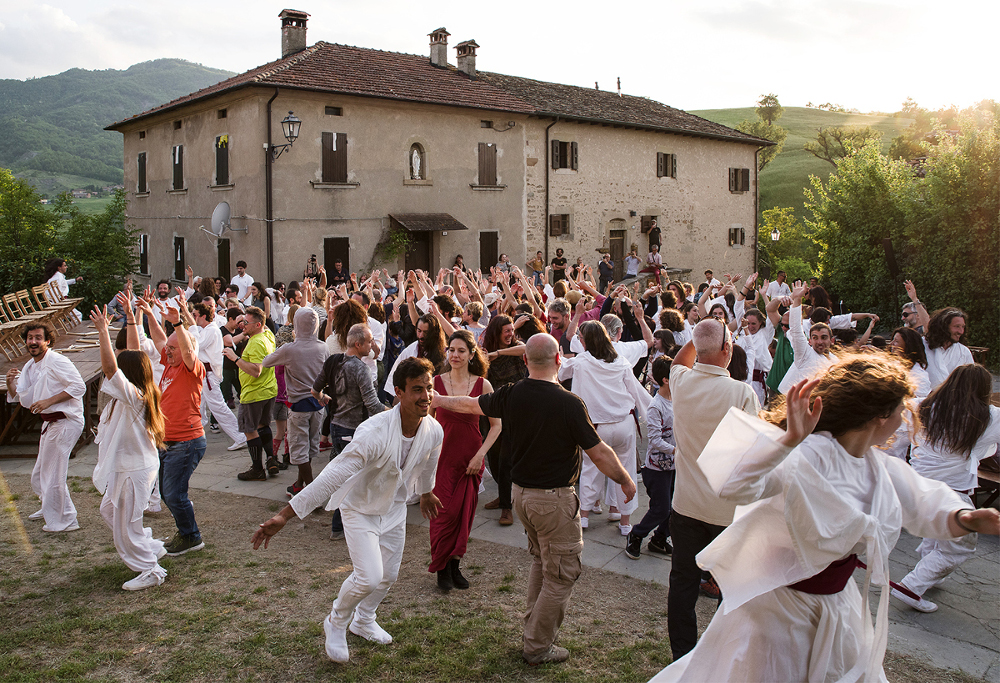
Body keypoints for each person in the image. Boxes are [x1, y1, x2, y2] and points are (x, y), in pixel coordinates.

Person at [648, 356, 999, 683]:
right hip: (779, 608)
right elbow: (734, 485)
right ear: (879, 416)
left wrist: (964, 517)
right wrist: (787, 441)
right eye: (901, 410)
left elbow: (923, 501)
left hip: (837, 606)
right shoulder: (808, 453)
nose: (905, 419)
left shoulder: (880, 467)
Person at [431, 334, 637, 666]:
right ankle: (537, 646)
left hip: (522, 498)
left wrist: (438, 400)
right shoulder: (569, 403)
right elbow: (598, 452)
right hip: (553, 501)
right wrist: (626, 480)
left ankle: (533, 629)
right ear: (559, 361)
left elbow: (471, 406)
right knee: (563, 573)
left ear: (525, 362)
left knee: (543, 563)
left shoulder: (512, 394)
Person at [251, 358, 444, 664]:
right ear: (398, 392)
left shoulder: (433, 430)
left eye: (429, 388)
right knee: (369, 576)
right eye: (417, 389)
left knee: (389, 575)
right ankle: (337, 621)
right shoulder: (375, 431)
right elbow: (334, 474)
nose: (426, 396)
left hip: (394, 509)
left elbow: (428, 462)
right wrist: (285, 515)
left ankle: (364, 619)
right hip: (360, 508)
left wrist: (426, 493)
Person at [666, 319, 760, 662]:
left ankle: (682, 656)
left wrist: (699, 335)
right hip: (728, 510)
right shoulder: (742, 393)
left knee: (684, 583)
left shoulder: (681, 382)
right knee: (731, 587)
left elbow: (678, 361)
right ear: (727, 350)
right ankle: (722, 654)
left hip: (687, 505)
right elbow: (755, 454)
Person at [893, 364, 1000, 613]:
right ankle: (911, 586)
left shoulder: (924, 406)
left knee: (937, 531)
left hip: (918, 487)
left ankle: (931, 575)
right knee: (961, 545)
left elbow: (895, 421)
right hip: (953, 493)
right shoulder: (990, 416)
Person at [89, 305, 168, 590]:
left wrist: (102, 332)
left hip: (134, 469)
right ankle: (150, 547)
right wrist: (132, 318)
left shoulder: (135, 396)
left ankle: (151, 569)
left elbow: (111, 368)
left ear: (129, 374)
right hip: (131, 466)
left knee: (127, 526)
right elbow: (134, 354)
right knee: (110, 511)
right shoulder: (137, 392)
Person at [558, 321, 650, 536]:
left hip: (597, 426)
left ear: (586, 340)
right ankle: (624, 521)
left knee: (591, 468)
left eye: (581, 338)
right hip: (623, 423)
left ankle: (585, 516)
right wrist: (652, 413)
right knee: (624, 469)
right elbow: (637, 392)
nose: (579, 341)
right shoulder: (621, 362)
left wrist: (559, 356)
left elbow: (561, 373)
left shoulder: (581, 362)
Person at [135, 291, 207, 556]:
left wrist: (178, 323)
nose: (168, 351)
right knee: (168, 494)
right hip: (168, 441)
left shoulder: (192, 368)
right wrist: (150, 314)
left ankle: (192, 536)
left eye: (173, 350)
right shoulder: (170, 363)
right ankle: (186, 533)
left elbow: (185, 349)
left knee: (174, 495)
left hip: (187, 442)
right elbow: (160, 341)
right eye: (169, 350)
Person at [429, 330, 501, 591]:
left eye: (461, 351)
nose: (455, 355)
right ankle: (440, 567)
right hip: (441, 457)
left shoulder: (483, 385)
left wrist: (480, 454)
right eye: (451, 350)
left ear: (472, 355)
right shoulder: (435, 382)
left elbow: (496, 426)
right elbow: (427, 422)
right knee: (443, 514)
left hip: (471, 458)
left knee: (465, 514)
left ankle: (454, 566)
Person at [6, 322, 85, 532]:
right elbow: (24, 398)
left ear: (47, 341)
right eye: (30, 338)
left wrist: (49, 401)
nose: (33, 342)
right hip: (50, 422)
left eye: (38, 338)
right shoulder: (31, 366)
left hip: (66, 421)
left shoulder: (57, 361)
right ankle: (48, 506)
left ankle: (66, 519)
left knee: (54, 473)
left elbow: (79, 386)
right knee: (40, 472)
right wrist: (10, 383)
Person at [314, 321, 387, 529]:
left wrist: (323, 397)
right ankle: (341, 525)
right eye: (369, 341)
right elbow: (372, 404)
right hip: (353, 430)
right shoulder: (360, 369)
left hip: (336, 426)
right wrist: (396, 414)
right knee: (352, 479)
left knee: (341, 475)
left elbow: (314, 390)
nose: (372, 345)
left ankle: (342, 521)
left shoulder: (333, 362)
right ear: (357, 344)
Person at [262, 307, 329, 496]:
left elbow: (267, 361)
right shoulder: (323, 347)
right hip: (318, 404)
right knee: (309, 447)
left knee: (299, 450)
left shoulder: (290, 349)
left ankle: (312, 492)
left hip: (298, 405)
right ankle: (299, 484)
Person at [626, 356, 675, 559]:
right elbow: (654, 440)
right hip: (657, 468)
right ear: (665, 379)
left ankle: (660, 538)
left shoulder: (677, 400)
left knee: (674, 508)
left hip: (674, 466)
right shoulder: (656, 406)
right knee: (661, 508)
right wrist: (676, 451)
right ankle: (636, 534)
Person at [480, 315, 526, 525]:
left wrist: (497, 353)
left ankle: (507, 507)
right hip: (491, 412)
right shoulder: (484, 352)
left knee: (506, 459)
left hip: (513, 411)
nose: (510, 335)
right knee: (495, 458)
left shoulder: (516, 348)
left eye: (512, 330)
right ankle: (503, 495)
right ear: (496, 332)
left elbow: (525, 349)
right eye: (506, 331)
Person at [224, 306, 278, 480]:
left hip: (254, 393)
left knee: (250, 430)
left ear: (258, 324)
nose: (242, 325)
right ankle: (271, 459)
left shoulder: (255, 343)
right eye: (242, 321)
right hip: (268, 390)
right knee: (263, 425)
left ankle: (257, 469)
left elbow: (256, 370)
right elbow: (266, 327)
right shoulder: (267, 335)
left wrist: (235, 358)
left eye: (246, 322)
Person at [190, 303, 246, 451]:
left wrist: (191, 327)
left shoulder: (212, 330)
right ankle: (195, 435)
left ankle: (241, 436)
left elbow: (197, 345)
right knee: (198, 405)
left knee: (218, 407)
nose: (193, 318)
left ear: (203, 316)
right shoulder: (206, 329)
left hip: (209, 375)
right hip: (203, 373)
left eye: (195, 315)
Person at [778, 284, 837, 394]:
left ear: (831, 341)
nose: (819, 342)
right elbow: (796, 329)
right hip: (788, 402)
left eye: (824, 338)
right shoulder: (804, 353)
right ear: (809, 341)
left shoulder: (836, 362)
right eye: (815, 338)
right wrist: (797, 299)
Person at [923, 307, 974, 389]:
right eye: (957, 326)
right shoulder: (922, 346)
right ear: (943, 327)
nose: (961, 331)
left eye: (963, 327)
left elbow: (971, 381)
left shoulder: (964, 352)